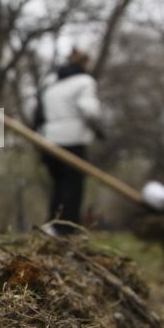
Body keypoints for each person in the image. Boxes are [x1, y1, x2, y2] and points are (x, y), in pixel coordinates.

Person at [37, 49, 105, 232]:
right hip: (72, 140)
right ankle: (66, 230)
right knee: (73, 186)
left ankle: (53, 225)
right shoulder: (85, 81)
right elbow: (89, 110)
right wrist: (98, 128)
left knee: (58, 185)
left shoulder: (51, 81)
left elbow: (39, 110)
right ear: (84, 63)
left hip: (49, 139)